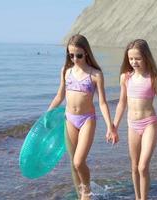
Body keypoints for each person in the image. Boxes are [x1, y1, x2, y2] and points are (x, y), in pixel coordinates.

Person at [48, 34, 118, 200]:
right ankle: (80, 194)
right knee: (73, 163)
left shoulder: (95, 74)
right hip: (69, 119)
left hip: (87, 120)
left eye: (78, 55)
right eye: (71, 55)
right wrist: (48, 114)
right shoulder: (66, 71)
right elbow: (59, 96)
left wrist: (110, 126)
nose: (74, 59)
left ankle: (86, 192)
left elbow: (102, 102)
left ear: (86, 53)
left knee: (79, 161)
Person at [113, 39, 157, 200]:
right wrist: (113, 126)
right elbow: (122, 103)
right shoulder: (125, 78)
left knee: (143, 166)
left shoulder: (154, 78)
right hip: (132, 125)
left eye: (138, 58)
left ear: (146, 57)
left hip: (149, 123)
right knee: (134, 167)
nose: (134, 62)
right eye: (130, 59)